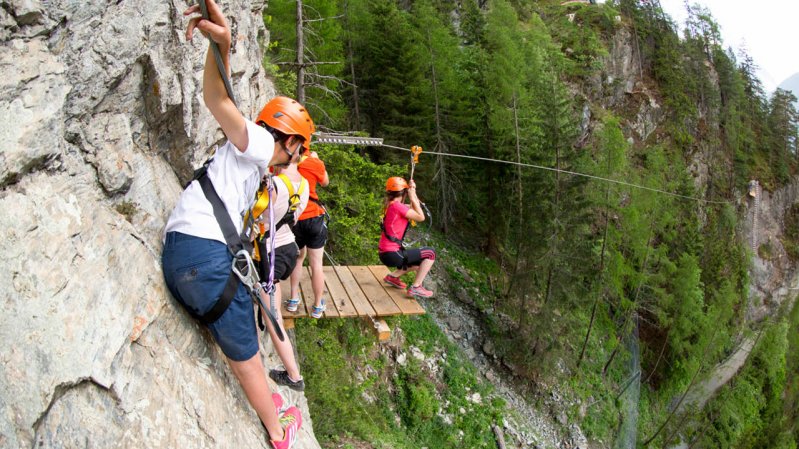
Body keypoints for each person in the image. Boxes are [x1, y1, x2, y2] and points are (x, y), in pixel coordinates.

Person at [161, 2, 309, 447]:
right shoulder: (263, 144)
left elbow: (221, 95)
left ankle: (269, 405)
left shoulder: (248, 157)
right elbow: (217, 99)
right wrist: (222, 45)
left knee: (236, 317)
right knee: (244, 342)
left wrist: (222, 47)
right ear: (291, 141)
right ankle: (277, 429)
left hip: (185, 251)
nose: (299, 158)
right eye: (300, 148)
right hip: (202, 255)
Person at [254, 162, 308, 392]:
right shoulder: (303, 185)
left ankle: (294, 376)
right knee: (268, 308)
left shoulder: (274, 185)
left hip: (270, 254)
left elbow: (259, 217)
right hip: (288, 249)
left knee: (273, 318)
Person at [288, 151, 329, 319]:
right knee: (316, 265)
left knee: (298, 258)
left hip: (295, 218)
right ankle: (317, 306)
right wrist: (317, 159)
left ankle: (293, 299)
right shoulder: (313, 162)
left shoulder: (286, 161)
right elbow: (325, 182)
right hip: (313, 217)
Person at [378, 177, 436, 298]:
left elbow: (415, 207)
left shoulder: (392, 205)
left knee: (420, 263)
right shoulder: (398, 207)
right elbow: (421, 217)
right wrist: (412, 194)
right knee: (430, 253)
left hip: (387, 253)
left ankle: (393, 276)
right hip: (392, 253)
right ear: (404, 192)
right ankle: (416, 287)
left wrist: (413, 193)